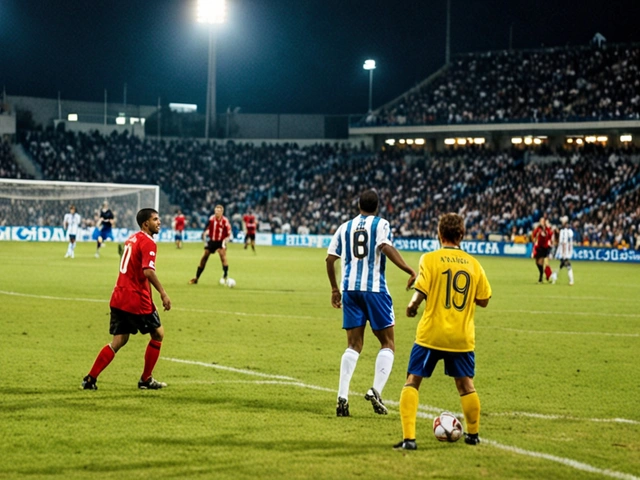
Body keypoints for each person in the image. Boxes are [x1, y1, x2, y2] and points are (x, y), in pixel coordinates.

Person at [394, 212, 492, 451]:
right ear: (462, 235)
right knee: (466, 385)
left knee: (413, 381)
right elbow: (484, 299)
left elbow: (422, 290)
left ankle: (409, 440)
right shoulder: (473, 264)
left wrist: (412, 305)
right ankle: (473, 435)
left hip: (432, 333)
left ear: (439, 234)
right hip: (461, 336)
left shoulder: (430, 259)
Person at [326, 189, 417, 417]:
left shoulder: (344, 227)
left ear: (358, 205)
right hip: (375, 290)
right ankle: (376, 390)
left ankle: (342, 397)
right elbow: (385, 247)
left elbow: (330, 259)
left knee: (353, 345)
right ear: (378, 206)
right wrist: (409, 269)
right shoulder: (381, 224)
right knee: (388, 343)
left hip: (350, 290)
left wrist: (335, 289)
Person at [81, 208, 171, 390]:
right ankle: (146, 379)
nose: (159, 222)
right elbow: (148, 271)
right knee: (158, 334)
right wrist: (163, 292)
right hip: (136, 298)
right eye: (155, 219)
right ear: (146, 223)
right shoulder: (148, 242)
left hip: (119, 295)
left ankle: (90, 379)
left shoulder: (131, 239)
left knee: (119, 340)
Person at [189, 204, 232, 285]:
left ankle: (225, 275)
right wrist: (204, 235)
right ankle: (196, 278)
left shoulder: (225, 221)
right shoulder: (211, 219)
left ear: (222, 212)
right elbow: (207, 228)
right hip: (212, 241)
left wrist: (224, 242)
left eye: (218, 211)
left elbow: (229, 234)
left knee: (223, 256)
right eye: (216, 211)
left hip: (221, 242)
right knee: (204, 257)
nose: (217, 212)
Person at [551, 216, 575, 286]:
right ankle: (570, 280)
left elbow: (564, 243)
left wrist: (564, 253)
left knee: (563, 265)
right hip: (564, 252)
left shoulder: (565, 231)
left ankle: (554, 277)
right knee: (566, 265)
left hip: (564, 252)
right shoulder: (566, 231)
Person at [531, 217, 553, 283]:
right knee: (537, 262)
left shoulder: (546, 229)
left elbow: (550, 235)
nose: (541, 222)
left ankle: (541, 278)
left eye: (542, 221)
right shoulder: (538, 228)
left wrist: (547, 230)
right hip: (538, 247)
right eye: (540, 221)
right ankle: (543, 273)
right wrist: (534, 239)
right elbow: (533, 234)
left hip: (544, 248)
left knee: (540, 262)